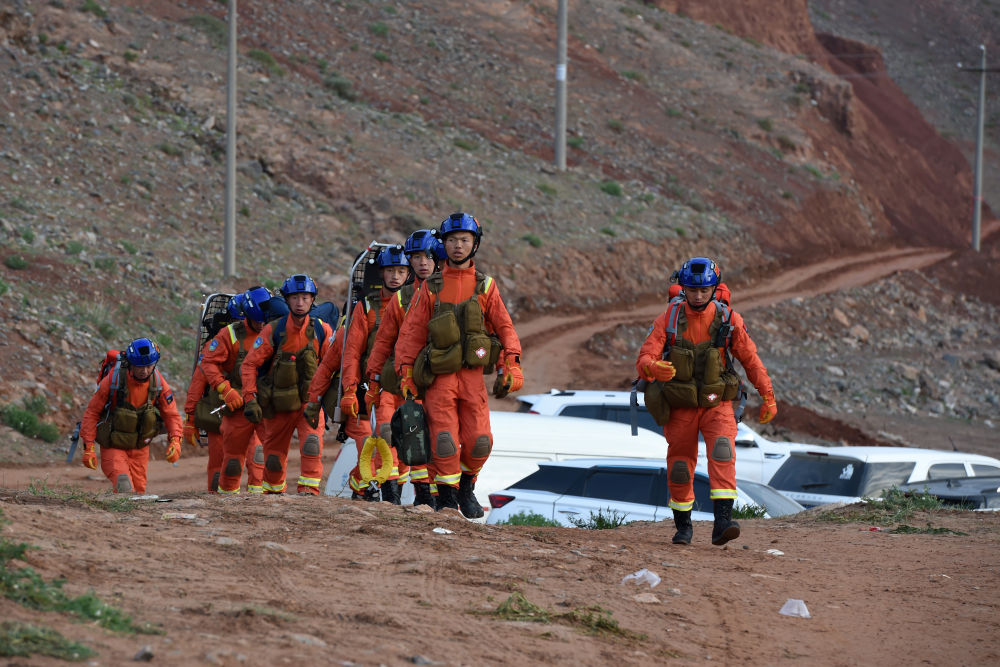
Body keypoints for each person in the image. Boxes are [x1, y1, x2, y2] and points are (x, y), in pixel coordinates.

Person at [635, 257, 778, 546]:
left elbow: (751, 360)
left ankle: (722, 523)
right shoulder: (669, 319)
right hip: (681, 406)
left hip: (717, 404)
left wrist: (768, 396)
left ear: (714, 289)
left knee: (723, 453)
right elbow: (644, 357)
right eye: (692, 290)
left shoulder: (729, 320)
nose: (698, 296)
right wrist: (652, 367)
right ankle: (683, 527)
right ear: (683, 289)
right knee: (679, 466)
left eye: (704, 290)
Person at [394, 213, 523, 518]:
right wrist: (406, 372)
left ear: (474, 244)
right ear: (444, 244)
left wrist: (512, 363)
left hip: (472, 378)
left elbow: (505, 327)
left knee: (480, 442)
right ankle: (449, 501)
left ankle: (467, 486)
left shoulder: (486, 286)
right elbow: (411, 333)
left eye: (464, 240)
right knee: (444, 442)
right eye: (451, 240)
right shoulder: (431, 287)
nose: (457, 246)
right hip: (439, 380)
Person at [363, 231, 442, 507]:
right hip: (395, 381)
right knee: (388, 434)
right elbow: (380, 345)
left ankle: (435, 496)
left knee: (433, 439)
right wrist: (370, 383)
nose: (422, 263)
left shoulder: (450, 294)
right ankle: (392, 495)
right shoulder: (397, 302)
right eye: (416, 257)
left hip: (431, 381)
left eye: (427, 257)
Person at [240, 275, 334, 495]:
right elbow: (249, 365)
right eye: (294, 298)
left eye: (304, 297)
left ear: (312, 300)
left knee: (312, 444)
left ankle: (309, 492)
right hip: (278, 404)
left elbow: (333, 365)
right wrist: (250, 399)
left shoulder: (322, 330)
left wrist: (332, 399)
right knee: (273, 457)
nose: (300, 303)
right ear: (287, 300)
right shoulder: (273, 330)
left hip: (310, 403)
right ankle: (273, 494)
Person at [338, 245, 412, 503]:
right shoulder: (367, 307)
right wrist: (350, 389)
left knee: (405, 450)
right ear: (381, 273)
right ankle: (389, 501)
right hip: (376, 387)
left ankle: (361, 486)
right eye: (391, 270)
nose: (395, 276)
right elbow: (353, 353)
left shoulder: (416, 303)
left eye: (401, 271)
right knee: (385, 440)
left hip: (407, 385)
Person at [80, 337, 183, 493]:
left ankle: (121, 517)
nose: (144, 371)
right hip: (114, 446)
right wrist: (89, 447)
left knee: (139, 491)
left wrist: (176, 441)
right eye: (139, 366)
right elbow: (92, 412)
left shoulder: (158, 383)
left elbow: (172, 415)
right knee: (124, 485)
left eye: (149, 366)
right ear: (130, 364)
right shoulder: (113, 380)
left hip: (140, 448)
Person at [196, 288, 269, 494]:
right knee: (229, 462)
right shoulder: (228, 335)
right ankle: (222, 500)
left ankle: (263, 499)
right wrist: (225, 389)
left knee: (263, 457)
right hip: (234, 407)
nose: (261, 326)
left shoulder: (277, 330)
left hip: (263, 406)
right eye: (257, 322)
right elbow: (204, 370)